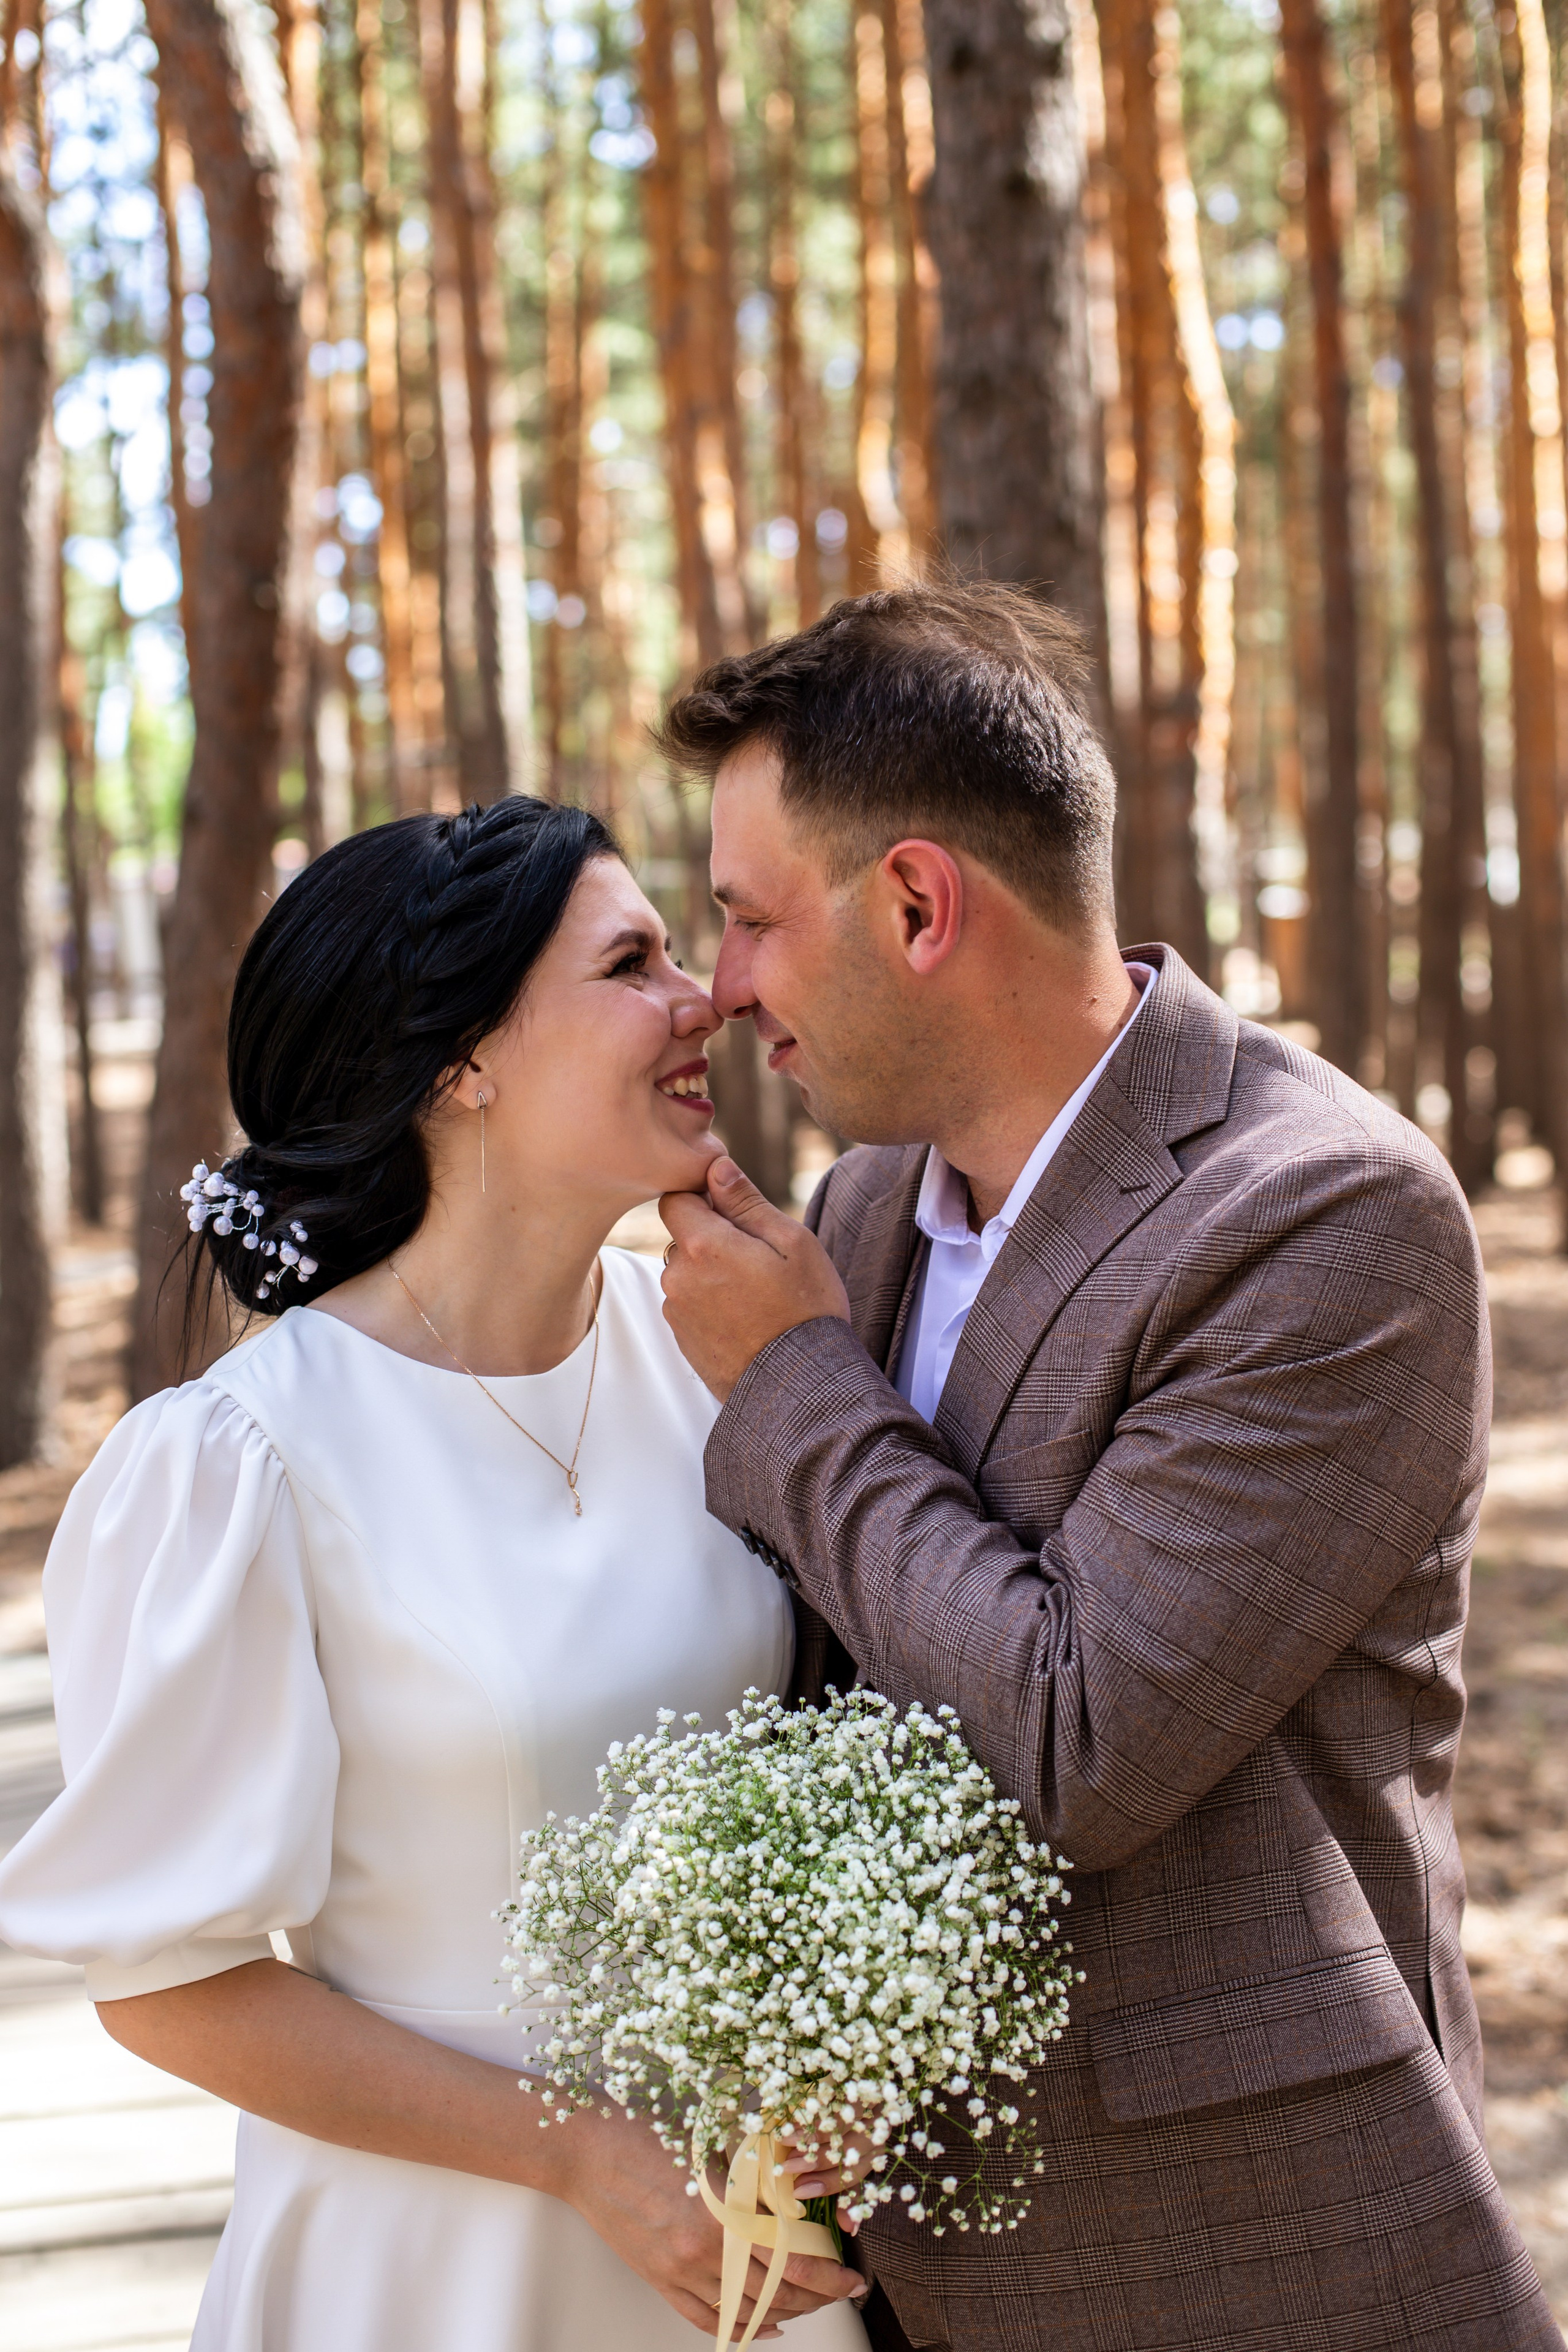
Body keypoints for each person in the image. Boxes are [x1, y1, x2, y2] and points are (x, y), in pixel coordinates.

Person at [655, 579, 1565, 2352]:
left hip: (1253, 2260)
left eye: (749, 922)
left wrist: (792, 1380)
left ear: (918, 903)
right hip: (912, 2273)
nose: (722, 987)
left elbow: (1085, 1739)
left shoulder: (1321, 1215)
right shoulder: (858, 1212)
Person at [0, 800, 869, 2352]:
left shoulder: (720, 1354)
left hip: (747, 2265)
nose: (708, 998)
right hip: (439, 2270)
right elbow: (165, 1981)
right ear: (459, 1064)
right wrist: (582, 2155)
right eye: (632, 962)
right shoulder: (242, 1464)